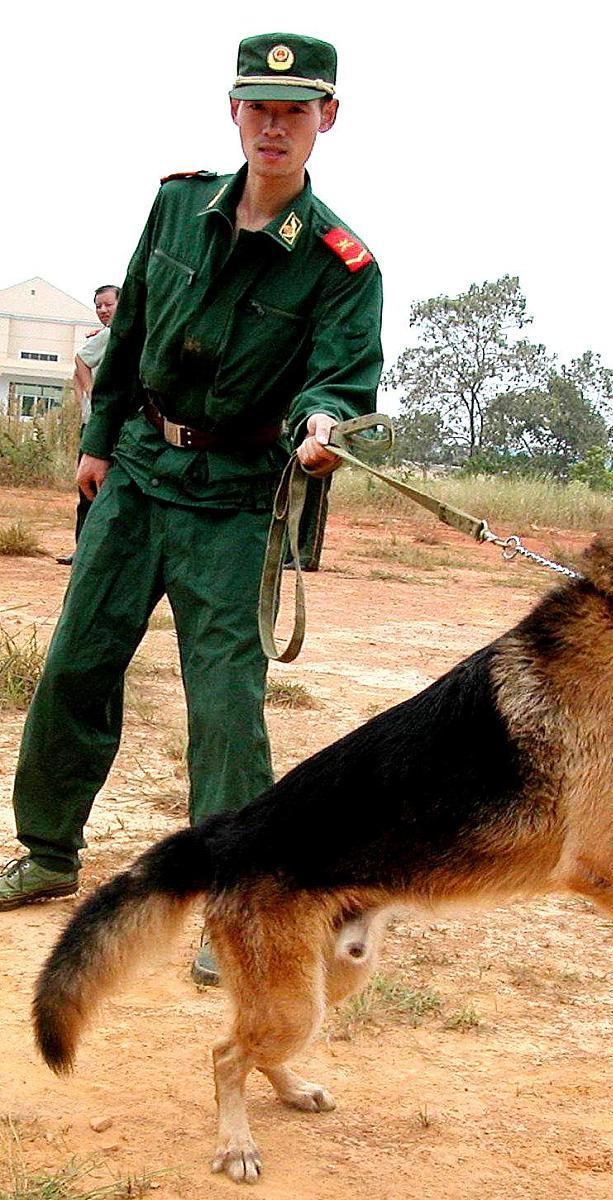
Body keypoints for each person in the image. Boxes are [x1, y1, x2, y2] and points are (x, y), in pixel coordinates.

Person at [0, 33, 384, 985]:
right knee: (78, 663)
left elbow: (339, 375)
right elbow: (129, 326)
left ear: (327, 120)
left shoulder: (343, 266)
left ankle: (234, 905)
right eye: (260, 108)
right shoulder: (177, 204)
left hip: (236, 498)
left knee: (225, 706)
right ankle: (47, 851)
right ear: (234, 113)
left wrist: (323, 421)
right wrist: (95, 446)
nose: (276, 126)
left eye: (296, 111)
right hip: (135, 474)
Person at [57, 285, 121, 565]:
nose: (103, 310)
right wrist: (90, 397)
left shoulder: (121, 334)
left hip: (109, 426)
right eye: (98, 306)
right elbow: (80, 362)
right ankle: (85, 551)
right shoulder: (110, 335)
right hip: (98, 428)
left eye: (108, 304)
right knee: (89, 491)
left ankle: (94, 551)